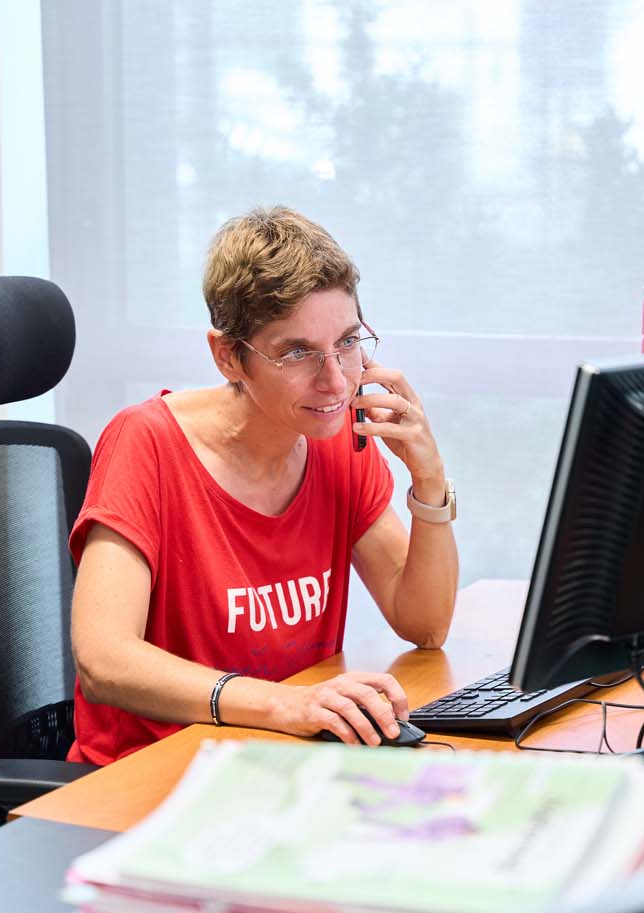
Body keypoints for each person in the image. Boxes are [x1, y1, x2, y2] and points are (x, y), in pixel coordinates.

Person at [66, 206, 459, 765]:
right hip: (151, 773)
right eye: (297, 352)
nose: (335, 382)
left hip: (279, 766)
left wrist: (429, 479)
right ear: (228, 356)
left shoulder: (337, 437)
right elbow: (104, 661)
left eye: (348, 343)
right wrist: (287, 705)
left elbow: (425, 625)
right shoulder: (146, 441)